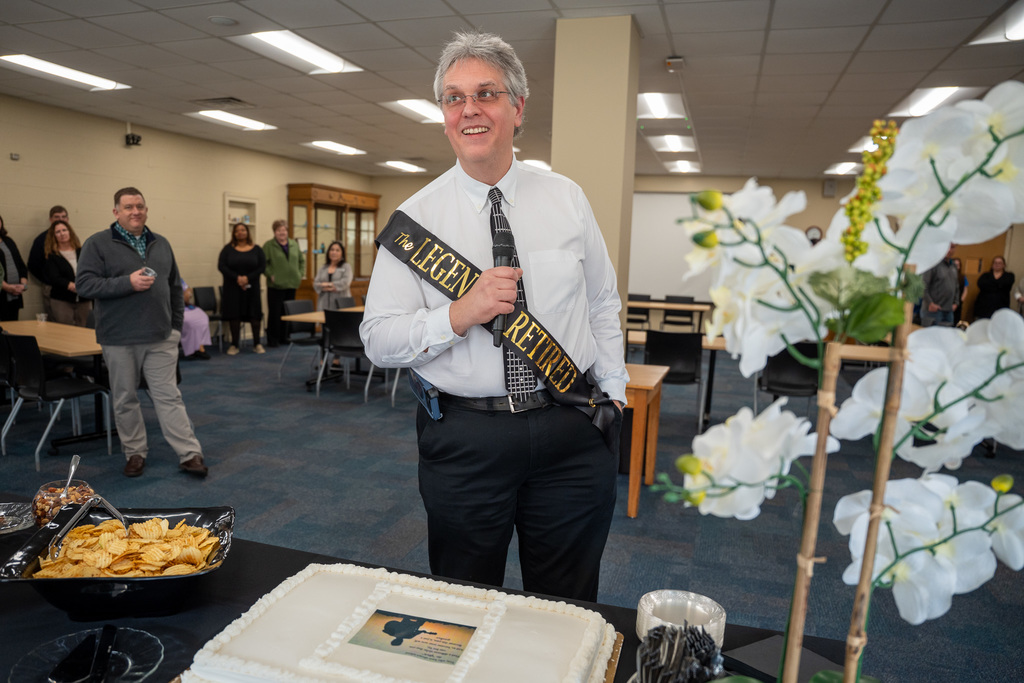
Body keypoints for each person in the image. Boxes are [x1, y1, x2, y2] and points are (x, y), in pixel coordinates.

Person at [360, 32, 627, 602]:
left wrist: (616, 393)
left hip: (571, 428)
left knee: (567, 605)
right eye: (453, 98)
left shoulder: (567, 199)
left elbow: (603, 301)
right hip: (466, 439)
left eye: (486, 93)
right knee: (465, 603)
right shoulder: (415, 218)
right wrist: (457, 314)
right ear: (443, 114)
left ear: (517, 106)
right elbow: (378, 340)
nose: (469, 110)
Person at [77, 186, 208, 478]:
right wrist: (127, 282)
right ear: (116, 212)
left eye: (140, 206)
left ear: (146, 209)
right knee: (125, 398)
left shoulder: (161, 243)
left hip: (161, 336)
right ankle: (135, 452)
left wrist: (176, 326)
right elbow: (85, 285)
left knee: (169, 396)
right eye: (128, 207)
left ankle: (189, 454)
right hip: (119, 338)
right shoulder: (97, 244)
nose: (135, 212)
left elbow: (175, 287)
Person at [218, 222, 266, 355]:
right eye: (237, 230)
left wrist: (247, 278)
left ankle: (257, 343)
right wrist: (237, 278)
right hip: (233, 288)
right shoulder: (227, 249)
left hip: (252, 287)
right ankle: (234, 345)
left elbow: (262, 267)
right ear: (234, 233)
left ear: (247, 232)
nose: (240, 232)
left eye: (243, 230)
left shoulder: (257, 249)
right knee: (235, 316)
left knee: (254, 316)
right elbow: (221, 266)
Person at [262, 219, 304, 348]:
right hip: (276, 285)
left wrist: (299, 274)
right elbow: (263, 264)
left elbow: (301, 261)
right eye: (279, 230)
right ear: (274, 232)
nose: (282, 232)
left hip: (291, 284)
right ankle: (273, 339)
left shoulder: (294, 244)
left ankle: (285, 337)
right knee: (275, 312)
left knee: (287, 312)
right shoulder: (269, 245)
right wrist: (271, 275)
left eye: (284, 230)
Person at [44, 219, 92, 326]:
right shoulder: (52, 256)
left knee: (84, 329)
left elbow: (91, 270)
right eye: (58, 232)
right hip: (62, 299)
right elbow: (54, 277)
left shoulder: (82, 251)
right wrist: (70, 285)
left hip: (84, 298)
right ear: (54, 236)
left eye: (64, 230)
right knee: (65, 331)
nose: (62, 234)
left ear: (69, 231)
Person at [28, 205, 68, 319]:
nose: (60, 219)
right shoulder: (42, 239)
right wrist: (47, 279)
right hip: (51, 287)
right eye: (57, 217)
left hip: (70, 286)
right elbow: (33, 264)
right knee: (55, 318)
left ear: (67, 219)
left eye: (63, 217)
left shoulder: (72, 238)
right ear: (51, 219)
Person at [920, 245, 959, 327]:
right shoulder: (932, 264)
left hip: (949, 311)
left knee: (946, 338)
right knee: (930, 338)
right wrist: (930, 303)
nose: (949, 250)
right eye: (947, 246)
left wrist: (956, 302)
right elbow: (923, 286)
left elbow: (956, 286)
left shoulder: (954, 266)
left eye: (952, 247)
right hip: (933, 311)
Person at [0, 212, 29, 321]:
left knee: (13, 327)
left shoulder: (9, 241)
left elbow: (20, 264)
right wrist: (7, 287)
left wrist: (23, 285)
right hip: (2, 293)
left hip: (15, 294)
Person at [313, 240, 353, 310]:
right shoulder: (323, 268)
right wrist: (330, 286)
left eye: (337, 250)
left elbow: (345, 283)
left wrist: (326, 285)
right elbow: (316, 284)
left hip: (341, 303)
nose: (334, 252)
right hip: (323, 304)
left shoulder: (346, 266)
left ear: (342, 253)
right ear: (328, 252)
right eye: (332, 250)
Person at [973, 255, 1015, 320]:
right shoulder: (985, 275)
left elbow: (1006, 285)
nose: (997, 264)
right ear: (992, 265)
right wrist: (999, 285)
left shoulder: (1009, 276)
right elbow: (981, 284)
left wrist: (990, 285)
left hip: (1001, 308)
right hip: (983, 308)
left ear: (1004, 265)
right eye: (995, 263)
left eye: (999, 263)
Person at [181, 280, 212, 360]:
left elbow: (188, 290)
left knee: (203, 317)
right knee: (190, 322)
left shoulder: (178, 279)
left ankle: (199, 347)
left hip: (187, 306)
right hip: (176, 307)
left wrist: (188, 292)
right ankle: (191, 349)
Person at [952, 257, 968, 326]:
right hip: (946, 303)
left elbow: (965, 290)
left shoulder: (962, 277)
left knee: (955, 321)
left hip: (957, 303)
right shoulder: (946, 276)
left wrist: (960, 301)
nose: (956, 267)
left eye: (958, 265)